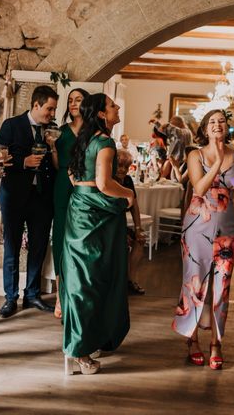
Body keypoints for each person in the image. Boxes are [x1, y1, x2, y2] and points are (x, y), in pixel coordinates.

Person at [172, 109, 234, 370]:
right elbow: (199, 188)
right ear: (205, 129)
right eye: (212, 122)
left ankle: (216, 343)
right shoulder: (195, 154)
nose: (218, 125)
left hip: (227, 230)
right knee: (195, 285)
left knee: (222, 287)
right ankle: (192, 340)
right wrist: (217, 161)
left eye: (222, 121)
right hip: (197, 230)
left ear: (227, 127)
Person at [62, 93, 134, 375]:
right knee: (91, 281)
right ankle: (78, 350)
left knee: (83, 277)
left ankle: (86, 340)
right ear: (103, 114)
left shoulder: (85, 138)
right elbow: (105, 184)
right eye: (113, 106)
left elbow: (71, 174)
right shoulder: (104, 143)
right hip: (97, 213)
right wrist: (128, 194)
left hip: (79, 209)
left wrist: (84, 189)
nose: (117, 108)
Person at [0, 85, 58, 317]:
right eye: (49, 109)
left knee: (39, 246)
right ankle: (10, 298)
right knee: (11, 247)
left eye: (53, 110)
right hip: (14, 196)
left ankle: (32, 295)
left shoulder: (52, 130)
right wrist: (23, 162)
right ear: (36, 105)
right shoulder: (11, 125)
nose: (52, 114)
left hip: (42, 197)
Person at [51, 87, 88, 318]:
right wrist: (53, 149)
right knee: (60, 237)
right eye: (71, 100)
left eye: (78, 100)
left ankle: (79, 291)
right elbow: (57, 165)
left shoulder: (93, 132)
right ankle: (59, 294)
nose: (73, 104)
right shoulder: (60, 131)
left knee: (81, 237)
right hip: (62, 184)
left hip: (85, 186)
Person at [115, 149, 146, 295]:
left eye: (126, 167)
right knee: (123, 242)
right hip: (110, 226)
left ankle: (130, 280)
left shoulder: (127, 180)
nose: (122, 170)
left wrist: (138, 228)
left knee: (139, 241)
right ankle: (117, 282)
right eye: (119, 165)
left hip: (121, 224)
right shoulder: (108, 181)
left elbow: (134, 206)